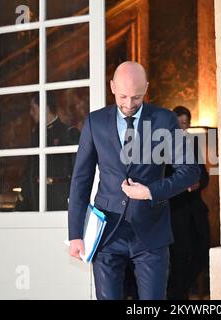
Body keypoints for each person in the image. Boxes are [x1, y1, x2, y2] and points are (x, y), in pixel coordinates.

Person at [68, 61, 200, 300]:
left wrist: (150, 191)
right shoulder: (94, 122)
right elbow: (81, 180)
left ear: (147, 88)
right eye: (123, 96)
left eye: (137, 97)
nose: (129, 105)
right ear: (112, 87)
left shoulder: (164, 119)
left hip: (151, 234)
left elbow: (190, 171)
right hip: (106, 232)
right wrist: (75, 234)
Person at [166, 106, 210, 300]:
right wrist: (181, 184)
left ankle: (176, 292)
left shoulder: (192, 144)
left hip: (196, 209)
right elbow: (164, 178)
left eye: (185, 124)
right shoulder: (162, 146)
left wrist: (198, 183)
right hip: (176, 211)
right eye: (178, 123)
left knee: (203, 252)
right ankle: (177, 295)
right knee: (180, 257)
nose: (182, 127)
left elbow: (204, 174)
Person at [15, 92, 72, 211]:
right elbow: (29, 171)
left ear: (45, 107)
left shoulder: (68, 133)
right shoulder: (36, 135)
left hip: (59, 201)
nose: (31, 113)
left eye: (33, 108)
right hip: (35, 200)